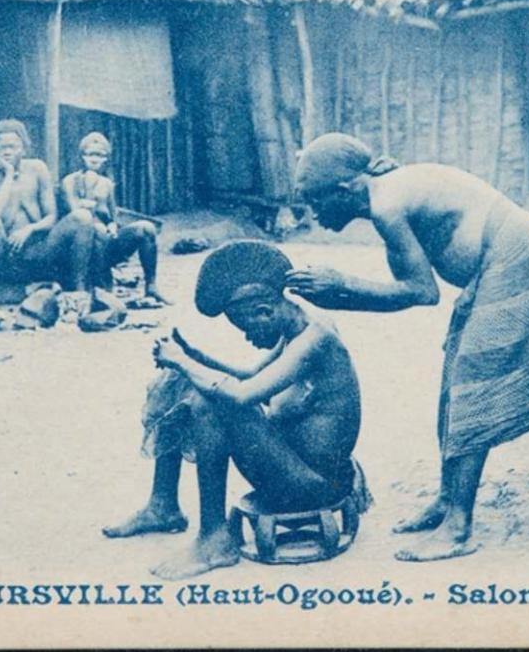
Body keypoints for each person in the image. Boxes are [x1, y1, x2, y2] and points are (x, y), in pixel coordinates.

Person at [285, 133, 529, 562]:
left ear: (345, 190)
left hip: (510, 254)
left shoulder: (387, 208)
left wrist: (342, 285)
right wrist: (337, 295)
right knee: (453, 381)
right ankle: (447, 501)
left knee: (472, 388)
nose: (312, 214)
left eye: (315, 201)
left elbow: (421, 292)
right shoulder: (381, 192)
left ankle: (458, 527)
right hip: (493, 260)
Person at [102, 241, 362, 579]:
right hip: (295, 467)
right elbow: (254, 378)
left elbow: (242, 396)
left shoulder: (316, 339)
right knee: (182, 380)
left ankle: (215, 539)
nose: (248, 338)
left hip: (312, 485)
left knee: (209, 404)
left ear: (265, 311)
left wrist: (184, 360)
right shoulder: (297, 325)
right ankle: (162, 505)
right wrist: (192, 359)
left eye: (247, 328)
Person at [58, 132, 165, 302]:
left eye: (100, 155)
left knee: (146, 228)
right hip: (79, 246)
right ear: (82, 156)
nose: (94, 159)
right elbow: (74, 211)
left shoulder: (107, 184)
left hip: (105, 242)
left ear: (106, 159)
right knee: (96, 229)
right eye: (90, 154)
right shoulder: (70, 181)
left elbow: (112, 216)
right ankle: (97, 288)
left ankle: (151, 286)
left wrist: (113, 226)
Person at [0, 119, 73, 294]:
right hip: (4, 252)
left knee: (81, 218)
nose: (7, 152)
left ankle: (78, 290)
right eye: (1, 148)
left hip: (38, 246)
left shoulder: (37, 168)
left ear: (24, 148)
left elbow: (51, 217)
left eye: (13, 147)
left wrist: (29, 229)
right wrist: (9, 176)